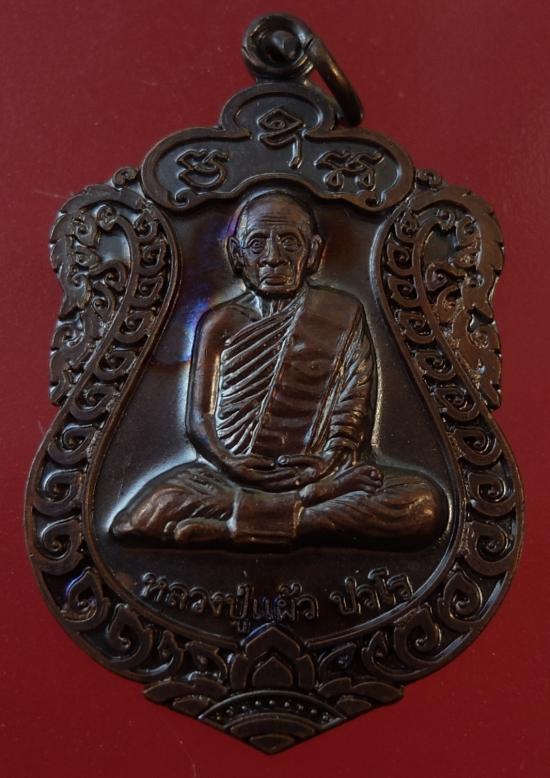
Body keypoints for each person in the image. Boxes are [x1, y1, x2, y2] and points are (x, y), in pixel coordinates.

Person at [111, 191, 443, 547]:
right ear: (236, 255)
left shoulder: (342, 313)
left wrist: (328, 463)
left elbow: (354, 404)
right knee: (140, 517)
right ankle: (298, 514)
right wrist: (229, 462)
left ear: (312, 252)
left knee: (423, 506)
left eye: (289, 242)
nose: (273, 257)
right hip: (231, 477)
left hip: (323, 476)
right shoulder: (220, 322)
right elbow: (199, 418)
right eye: (257, 244)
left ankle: (239, 526)